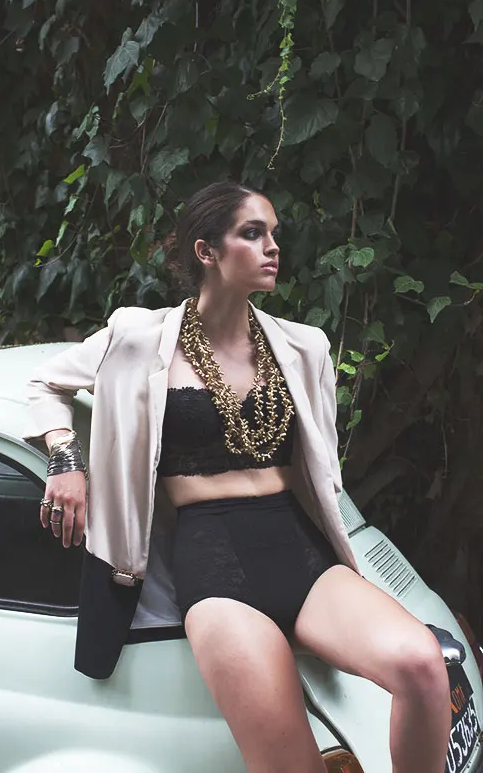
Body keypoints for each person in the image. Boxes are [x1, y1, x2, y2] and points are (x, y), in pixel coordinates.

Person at [25, 181, 451, 773]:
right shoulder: (139, 337)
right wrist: (65, 458)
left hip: (299, 548)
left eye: (273, 233)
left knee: (424, 667)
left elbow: (320, 467)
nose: (272, 246)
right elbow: (44, 383)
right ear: (207, 251)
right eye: (253, 233)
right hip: (213, 562)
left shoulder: (304, 347)